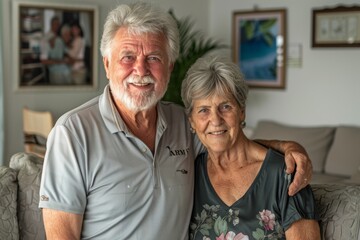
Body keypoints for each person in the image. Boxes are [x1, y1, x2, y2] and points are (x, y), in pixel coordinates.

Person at [39, 2, 313, 239]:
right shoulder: (72, 134)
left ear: (169, 67)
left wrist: (286, 146)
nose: (140, 70)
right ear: (107, 64)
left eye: (153, 58)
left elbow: (226, 139)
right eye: (128, 57)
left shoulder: (184, 122)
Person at [181, 55, 320, 240]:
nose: (215, 120)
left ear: (242, 112)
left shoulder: (285, 173)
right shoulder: (190, 172)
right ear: (192, 121)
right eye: (203, 110)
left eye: (225, 107)